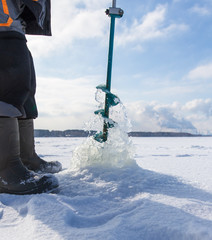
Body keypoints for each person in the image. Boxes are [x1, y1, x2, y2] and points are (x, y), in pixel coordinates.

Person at [0, 0, 62, 194]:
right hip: (4, 22)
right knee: (7, 87)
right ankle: (5, 169)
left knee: (24, 88)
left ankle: (26, 159)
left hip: (14, 23)